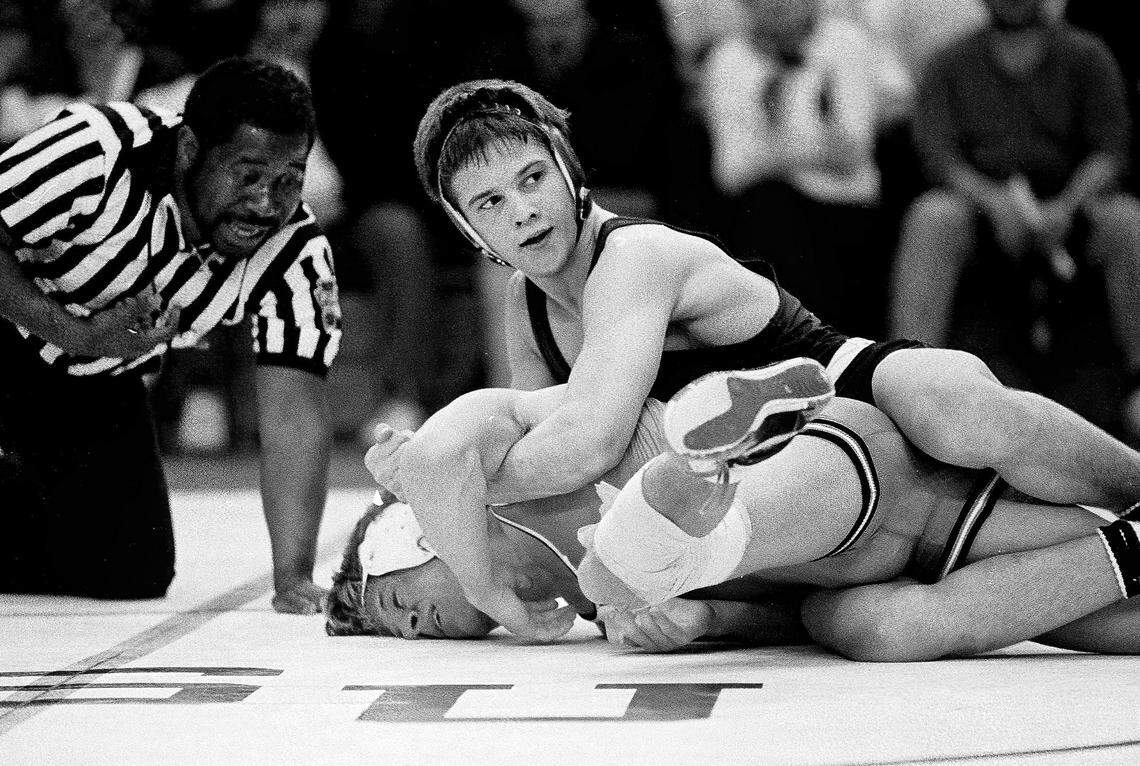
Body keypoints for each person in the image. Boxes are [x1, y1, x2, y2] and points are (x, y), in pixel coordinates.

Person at [399, 78, 1140, 630]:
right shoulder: (524, 307)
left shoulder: (633, 256)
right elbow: (547, 473)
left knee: (958, 414)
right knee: (868, 626)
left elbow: (585, 443)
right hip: (779, 495)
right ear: (468, 232)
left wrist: (455, 473)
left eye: (531, 179)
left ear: (568, 170)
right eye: (490, 202)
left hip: (850, 391)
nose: (522, 210)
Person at [352, 367, 1140, 659]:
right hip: (890, 566)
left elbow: (443, 450)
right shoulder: (586, 616)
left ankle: (693, 499)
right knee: (871, 630)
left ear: (417, 527)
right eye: (401, 633)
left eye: (395, 600)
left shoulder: (526, 461)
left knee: (689, 539)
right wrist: (705, 626)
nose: (413, 627)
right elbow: (787, 615)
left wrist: (488, 588)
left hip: (852, 470)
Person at [0, 57, 340, 613]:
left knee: (132, 567)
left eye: (288, 179)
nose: (265, 204)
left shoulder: (294, 256)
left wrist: (293, 577)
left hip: (90, 381)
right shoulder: (98, 150)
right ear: (189, 150)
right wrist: (73, 330)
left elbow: (293, 414)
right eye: (248, 173)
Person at [888, 0, 1140, 432]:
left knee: (1126, 220)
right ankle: (908, 376)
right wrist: (993, 202)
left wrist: (1069, 203)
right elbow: (938, 154)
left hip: (1071, 202)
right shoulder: (950, 61)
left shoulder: (1086, 55)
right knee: (932, 217)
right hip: (983, 206)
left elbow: (1111, 149)